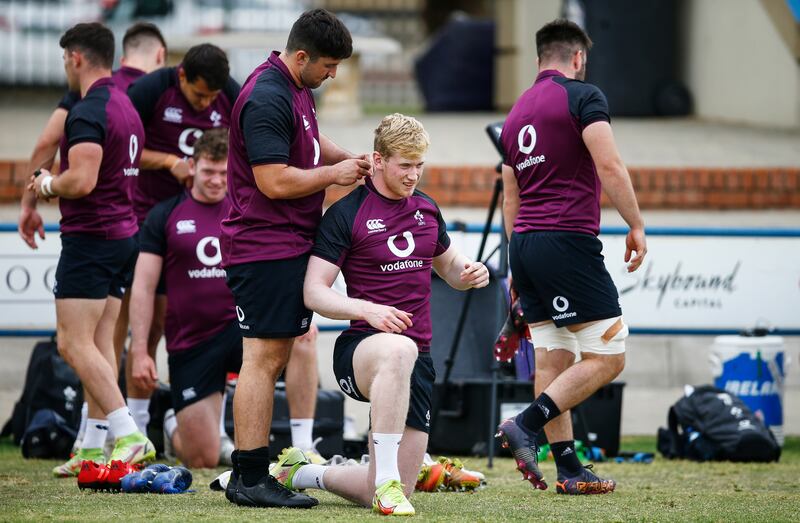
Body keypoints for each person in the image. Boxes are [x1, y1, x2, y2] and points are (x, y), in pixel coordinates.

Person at [271, 113, 489, 516]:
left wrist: (472, 273)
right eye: (405, 165)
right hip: (361, 351)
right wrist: (366, 310)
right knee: (398, 350)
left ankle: (302, 474)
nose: (413, 175)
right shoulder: (346, 213)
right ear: (378, 160)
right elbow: (314, 291)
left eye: (419, 165)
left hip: (417, 359)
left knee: (395, 489)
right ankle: (386, 479)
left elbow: (452, 270)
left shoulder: (426, 209)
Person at [220, 8, 370, 509]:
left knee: (275, 356)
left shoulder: (295, 88)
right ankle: (248, 478)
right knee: (261, 360)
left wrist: (349, 159)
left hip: (285, 243)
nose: (333, 76)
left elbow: (308, 141)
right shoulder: (266, 95)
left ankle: (254, 472)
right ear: (301, 56)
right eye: (328, 66)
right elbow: (275, 180)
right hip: (263, 248)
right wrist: (335, 176)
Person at [496, 19, 647, 495]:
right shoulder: (584, 96)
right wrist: (636, 224)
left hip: (524, 243)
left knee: (554, 354)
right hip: (567, 240)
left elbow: (509, 195)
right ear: (578, 58)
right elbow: (609, 164)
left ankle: (568, 468)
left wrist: (515, 264)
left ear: (539, 58)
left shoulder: (516, 112)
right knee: (610, 354)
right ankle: (526, 423)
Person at [19, 23, 167, 476]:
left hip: (92, 239)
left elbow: (79, 181)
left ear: (76, 58)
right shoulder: (125, 103)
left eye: (66, 59)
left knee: (71, 342)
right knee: (101, 343)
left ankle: (128, 433)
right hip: (124, 235)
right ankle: (90, 445)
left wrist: (44, 185)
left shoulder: (87, 111)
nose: (65, 66)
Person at [124, 42, 241, 437]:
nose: (206, 102)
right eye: (199, 94)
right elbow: (119, 146)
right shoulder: (153, 90)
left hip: (213, 212)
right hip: (154, 215)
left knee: (213, 312)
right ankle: (136, 425)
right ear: (181, 77)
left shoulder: (230, 93)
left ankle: (196, 414)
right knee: (151, 321)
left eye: (212, 96)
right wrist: (168, 162)